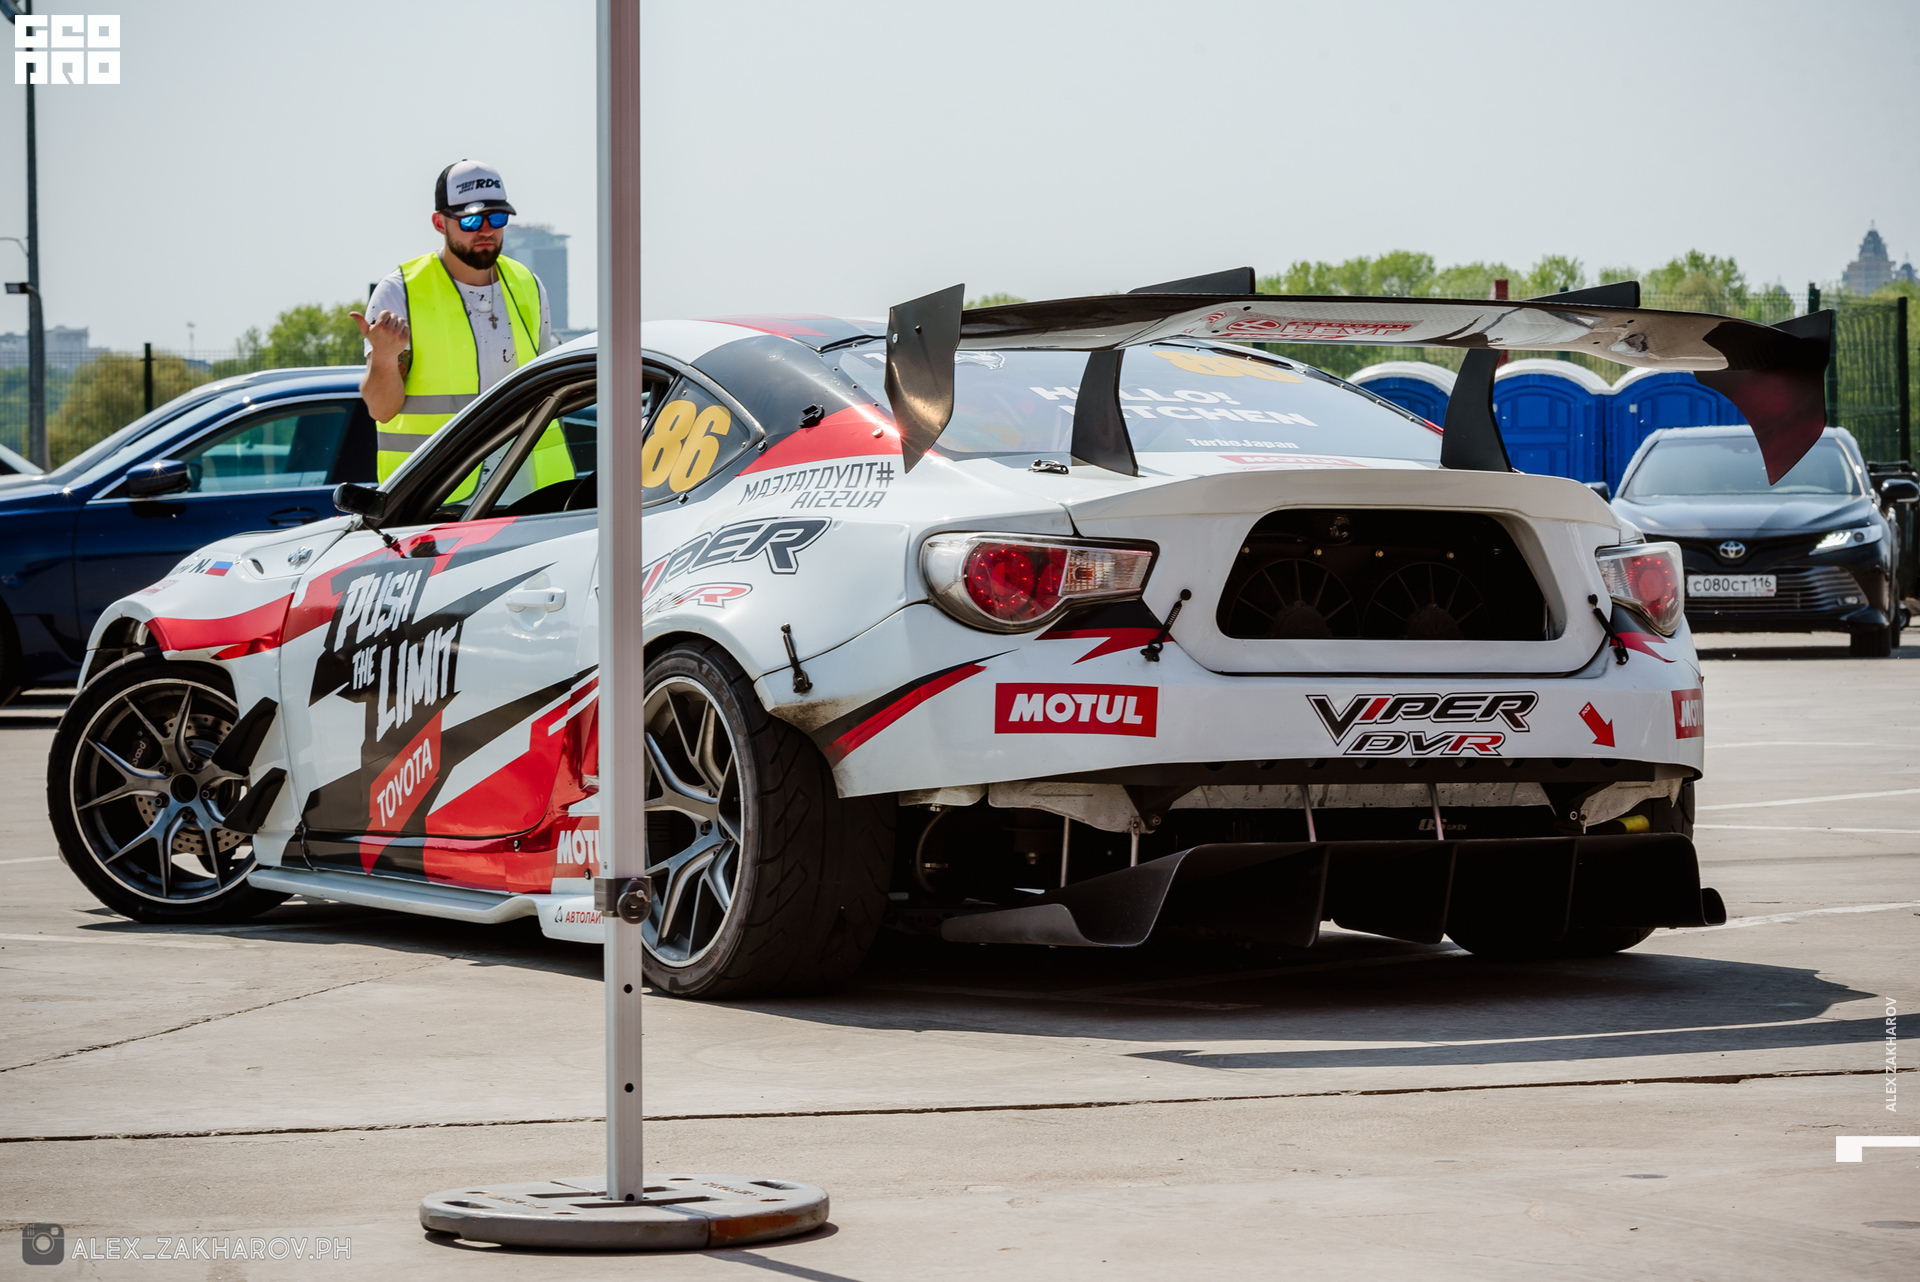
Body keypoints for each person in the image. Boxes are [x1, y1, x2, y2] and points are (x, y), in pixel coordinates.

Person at [355, 159, 561, 482]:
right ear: (440, 223)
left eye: (497, 218)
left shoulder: (529, 285)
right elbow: (381, 411)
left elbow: (549, 387)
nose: (486, 230)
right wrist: (383, 357)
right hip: (435, 494)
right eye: (470, 220)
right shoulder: (400, 292)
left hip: (527, 490)